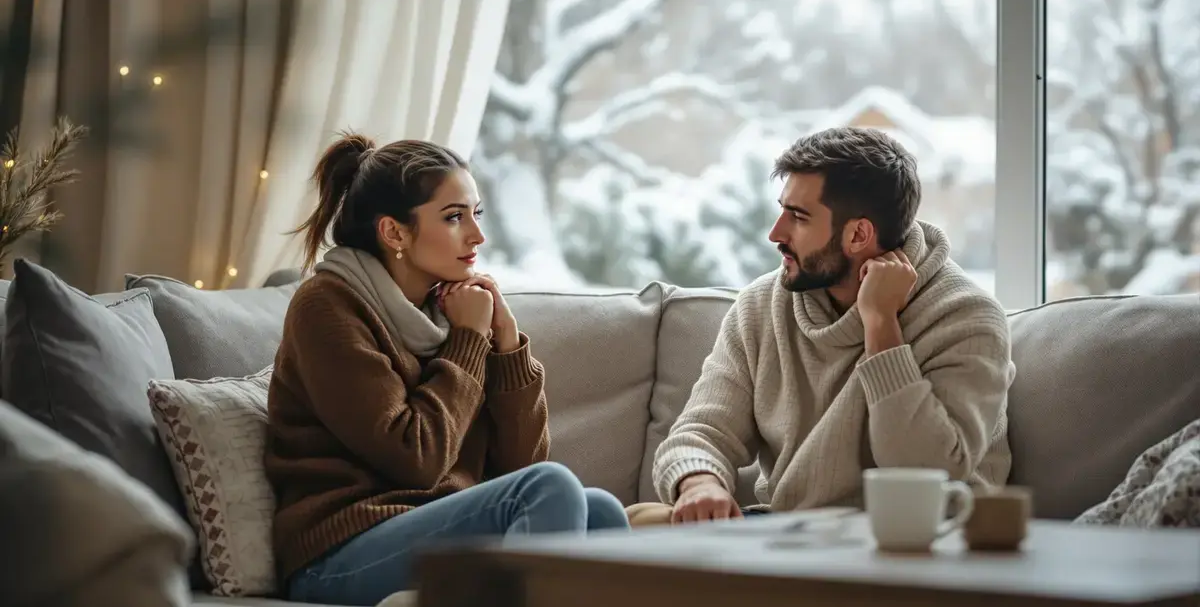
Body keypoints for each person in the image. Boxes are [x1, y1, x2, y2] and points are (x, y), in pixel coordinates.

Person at [264, 134, 629, 605]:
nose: (477, 235)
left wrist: (506, 343)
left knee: (600, 513)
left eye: (477, 213)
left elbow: (522, 466)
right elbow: (417, 459)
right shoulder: (328, 307)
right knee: (551, 488)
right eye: (455, 217)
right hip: (339, 555)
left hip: (435, 531)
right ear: (394, 233)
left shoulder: (446, 309)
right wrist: (469, 341)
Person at [629, 126, 1015, 526]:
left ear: (858, 234)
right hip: (791, 534)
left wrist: (881, 325)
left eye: (798, 217)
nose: (775, 234)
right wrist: (699, 484)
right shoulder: (762, 305)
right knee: (630, 523)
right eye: (782, 210)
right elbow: (701, 432)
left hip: (917, 539)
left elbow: (927, 473)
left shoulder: (967, 317)